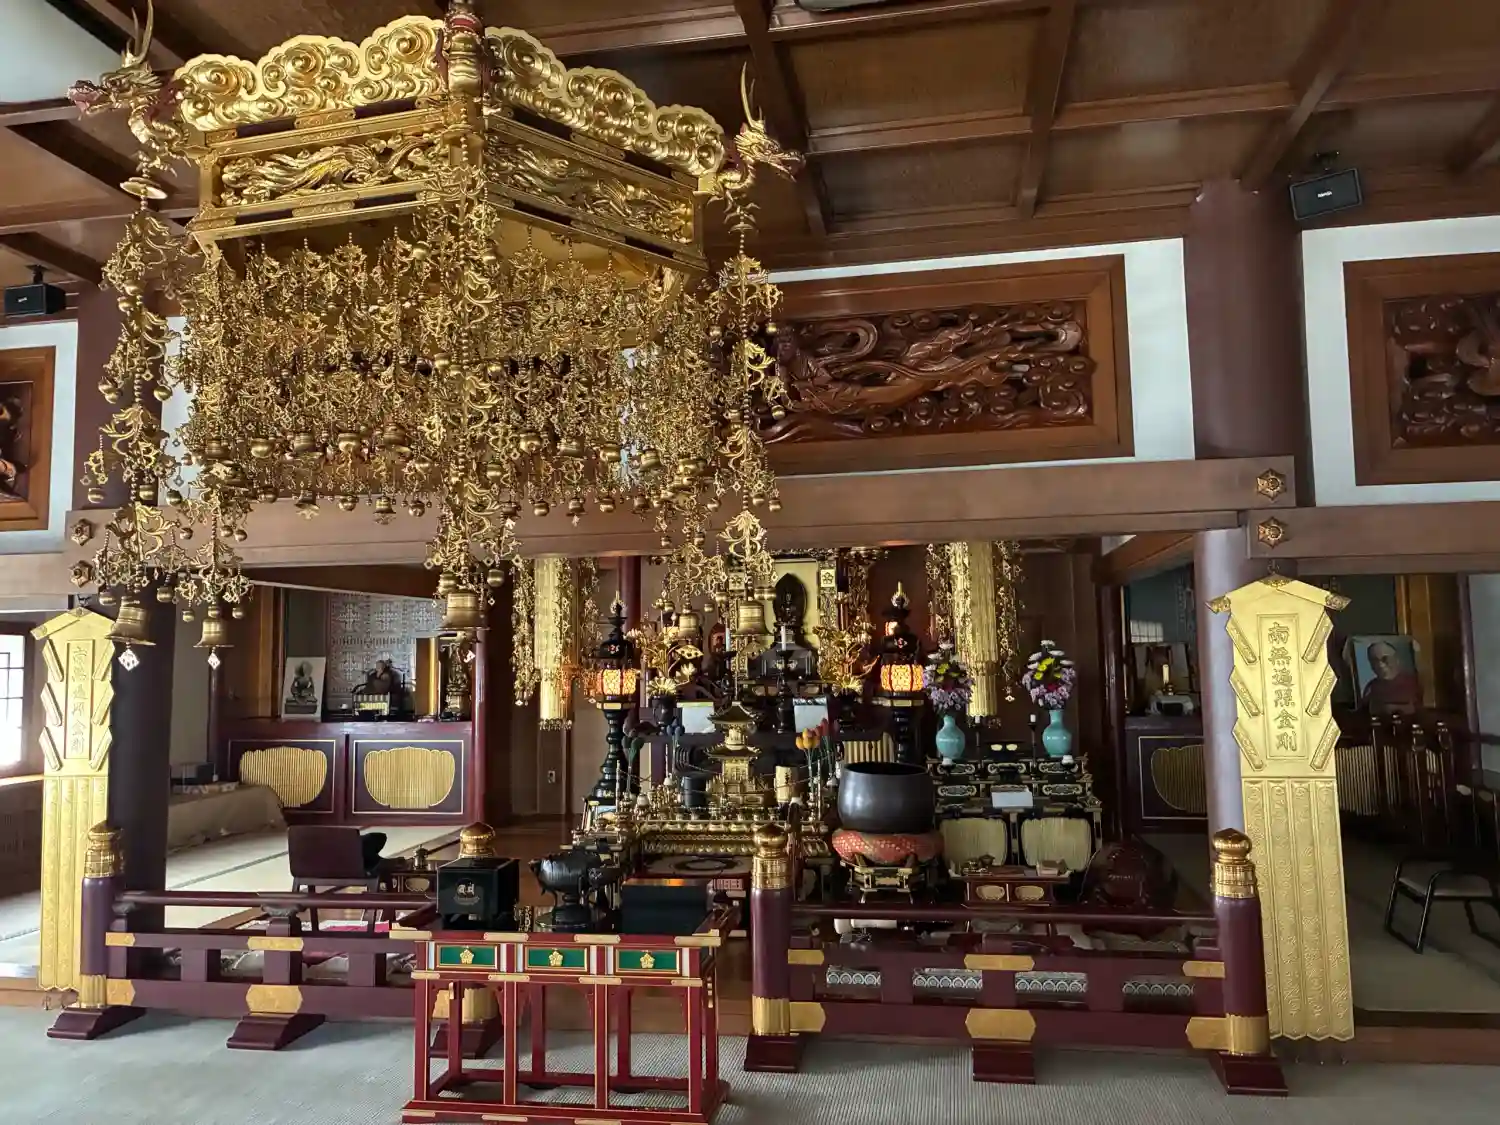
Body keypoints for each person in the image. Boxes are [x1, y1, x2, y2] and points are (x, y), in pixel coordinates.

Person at [1362, 640, 1420, 714]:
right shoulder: (1371, 687)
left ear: (1397, 660)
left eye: (1385, 659)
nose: (1380, 665)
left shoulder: (1413, 682)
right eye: (1374, 661)